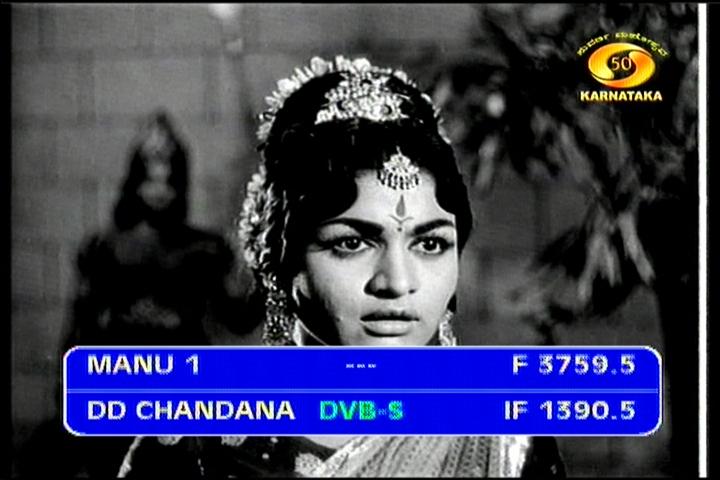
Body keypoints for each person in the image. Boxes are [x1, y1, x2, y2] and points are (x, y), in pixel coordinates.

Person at [117, 56, 566, 478]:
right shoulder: (194, 441)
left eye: (430, 244)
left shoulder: (507, 443)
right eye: (351, 243)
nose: (398, 282)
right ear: (283, 261)